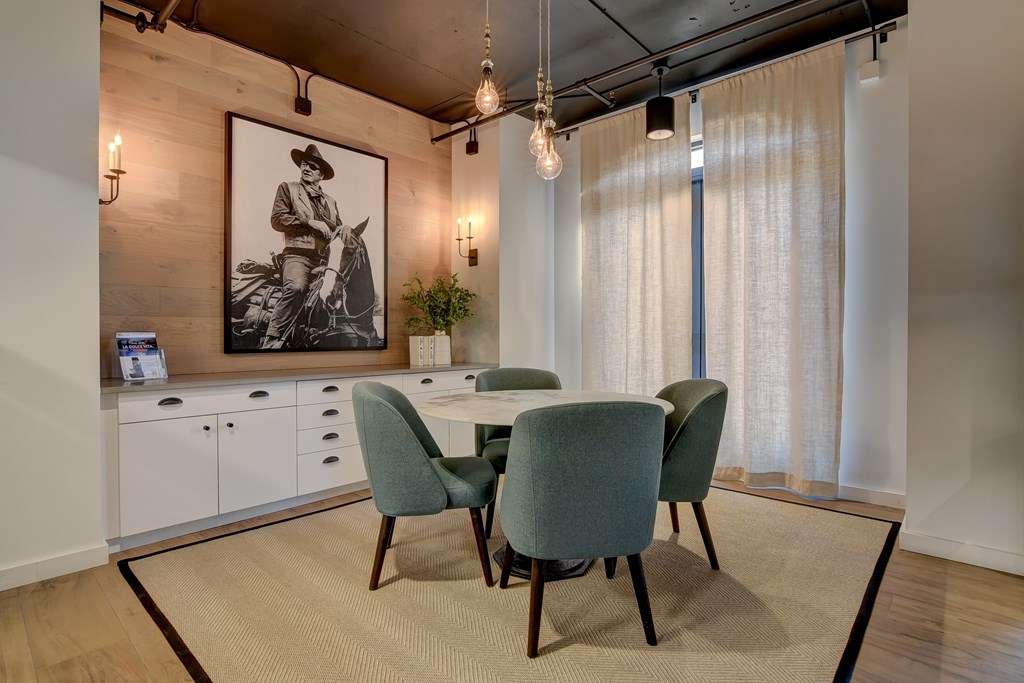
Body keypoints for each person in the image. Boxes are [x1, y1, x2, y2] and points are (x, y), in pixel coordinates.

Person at [261, 143, 341, 349]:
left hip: (325, 260)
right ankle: (272, 340)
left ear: (320, 175)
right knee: (296, 288)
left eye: (312, 167)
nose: (306, 168)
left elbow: (338, 229)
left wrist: (347, 231)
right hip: (297, 256)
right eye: (304, 164)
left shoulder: (331, 201)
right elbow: (277, 219)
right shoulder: (288, 188)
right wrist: (308, 222)